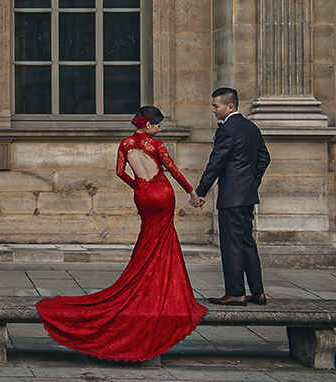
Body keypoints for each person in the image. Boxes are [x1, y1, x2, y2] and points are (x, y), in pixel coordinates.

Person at [36, 106, 207, 362]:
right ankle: (158, 283)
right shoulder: (155, 144)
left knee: (149, 236)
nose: (160, 129)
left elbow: (119, 172)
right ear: (148, 125)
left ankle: (143, 276)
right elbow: (172, 170)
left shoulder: (126, 144)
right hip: (162, 193)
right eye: (158, 125)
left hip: (143, 194)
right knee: (163, 237)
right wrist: (192, 193)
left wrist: (137, 185)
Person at [189, 87, 270, 306]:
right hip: (247, 196)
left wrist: (200, 192)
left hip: (232, 197)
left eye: (216, 106)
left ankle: (235, 293)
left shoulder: (227, 130)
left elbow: (216, 163)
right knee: (247, 242)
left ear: (230, 106)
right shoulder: (251, 127)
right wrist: (251, 183)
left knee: (232, 244)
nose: (213, 110)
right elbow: (264, 158)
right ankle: (257, 292)